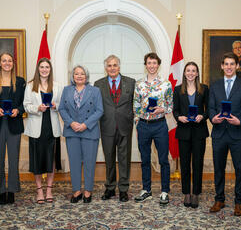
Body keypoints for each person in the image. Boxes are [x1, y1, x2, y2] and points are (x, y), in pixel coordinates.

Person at [59, 65, 103, 203]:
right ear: (73, 76)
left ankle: (88, 191)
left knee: (89, 163)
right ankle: (77, 191)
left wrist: (85, 124)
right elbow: (62, 108)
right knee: (74, 162)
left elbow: (99, 110)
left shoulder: (95, 91)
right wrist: (71, 123)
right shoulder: (66, 90)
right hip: (72, 131)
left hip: (89, 131)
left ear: (86, 76)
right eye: (76, 74)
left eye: (82, 74)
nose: (79, 76)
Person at [94, 55, 135, 202]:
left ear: (119, 67)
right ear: (106, 68)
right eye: (109, 65)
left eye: (115, 65)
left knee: (124, 160)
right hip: (107, 127)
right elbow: (96, 106)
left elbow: (134, 104)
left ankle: (123, 189)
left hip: (125, 126)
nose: (112, 68)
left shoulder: (130, 83)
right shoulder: (98, 84)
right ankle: (110, 188)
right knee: (109, 160)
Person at [133, 52, 172, 205]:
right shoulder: (139, 84)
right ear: (146, 65)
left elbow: (171, 105)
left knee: (163, 159)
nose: (152, 66)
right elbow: (135, 105)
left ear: (158, 65)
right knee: (145, 159)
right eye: (149, 63)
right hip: (143, 125)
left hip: (160, 125)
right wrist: (138, 122)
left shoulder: (166, 84)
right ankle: (146, 190)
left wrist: (163, 109)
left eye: (154, 63)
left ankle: (164, 191)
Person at [24, 57, 62, 204]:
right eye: (42, 67)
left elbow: (61, 105)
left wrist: (55, 105)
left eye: (47, 67)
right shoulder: (30, 86)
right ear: (38, 69)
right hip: (36, 128)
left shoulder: (58, 86)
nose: (44, 69)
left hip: (52, 128)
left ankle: (49, 190)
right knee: (37, 160)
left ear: (50, 69)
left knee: (51, 160)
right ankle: (39, 190)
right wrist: (37, 108)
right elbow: (26, 105)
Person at [209, 52, 241, 216]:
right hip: (219, 133)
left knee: (240, 169)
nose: (229, 67)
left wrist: (240, 121)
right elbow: (210, 107)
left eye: (232, 64)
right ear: (222, 66)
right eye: (226, 64)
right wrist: (212, 118)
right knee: (219, 169)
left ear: (237, 66)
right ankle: (219, 199)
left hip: (238, 134)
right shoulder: (214, 86)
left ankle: (239, 202)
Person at [173, 62, 209, 208]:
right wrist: (179, 117)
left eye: (193, 71)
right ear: (184, 72)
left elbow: (209, 110)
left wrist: (203, 116)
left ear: (197, 73)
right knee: (185, 164)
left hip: (199, 131)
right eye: (188, 70)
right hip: (183, 132)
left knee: (198, 164)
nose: (191, 73)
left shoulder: (204, 89)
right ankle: (186, 193)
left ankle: (196, 193)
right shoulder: (177, 90)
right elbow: (175, 110)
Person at [0, 52, 25, 205]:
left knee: (13, 160)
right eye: (4, 61)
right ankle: (0, 191)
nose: (7, 63)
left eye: (9, 60)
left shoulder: (20, 82)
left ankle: (11, 190)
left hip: (14, 124)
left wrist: (18, 110)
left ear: (13, 63)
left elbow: (25, 102)